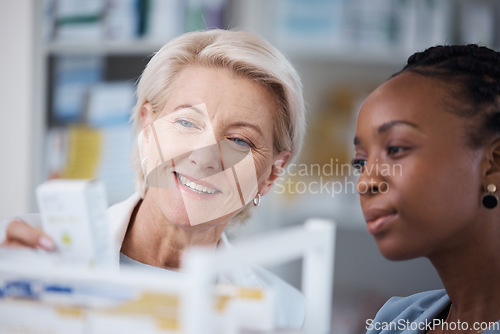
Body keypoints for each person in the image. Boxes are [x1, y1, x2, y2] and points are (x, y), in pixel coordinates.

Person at [0, 29, 307, 329]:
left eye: (240, 141)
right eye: (186, 122)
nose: (204, 158)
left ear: (271, 174)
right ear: (147, 130)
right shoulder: (24, 252)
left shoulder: (285, 313)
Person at [353, 44, 500, 334]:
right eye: (360, 161)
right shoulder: (394, 321)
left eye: (395, 149)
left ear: (493, 166)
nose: (365, 182)